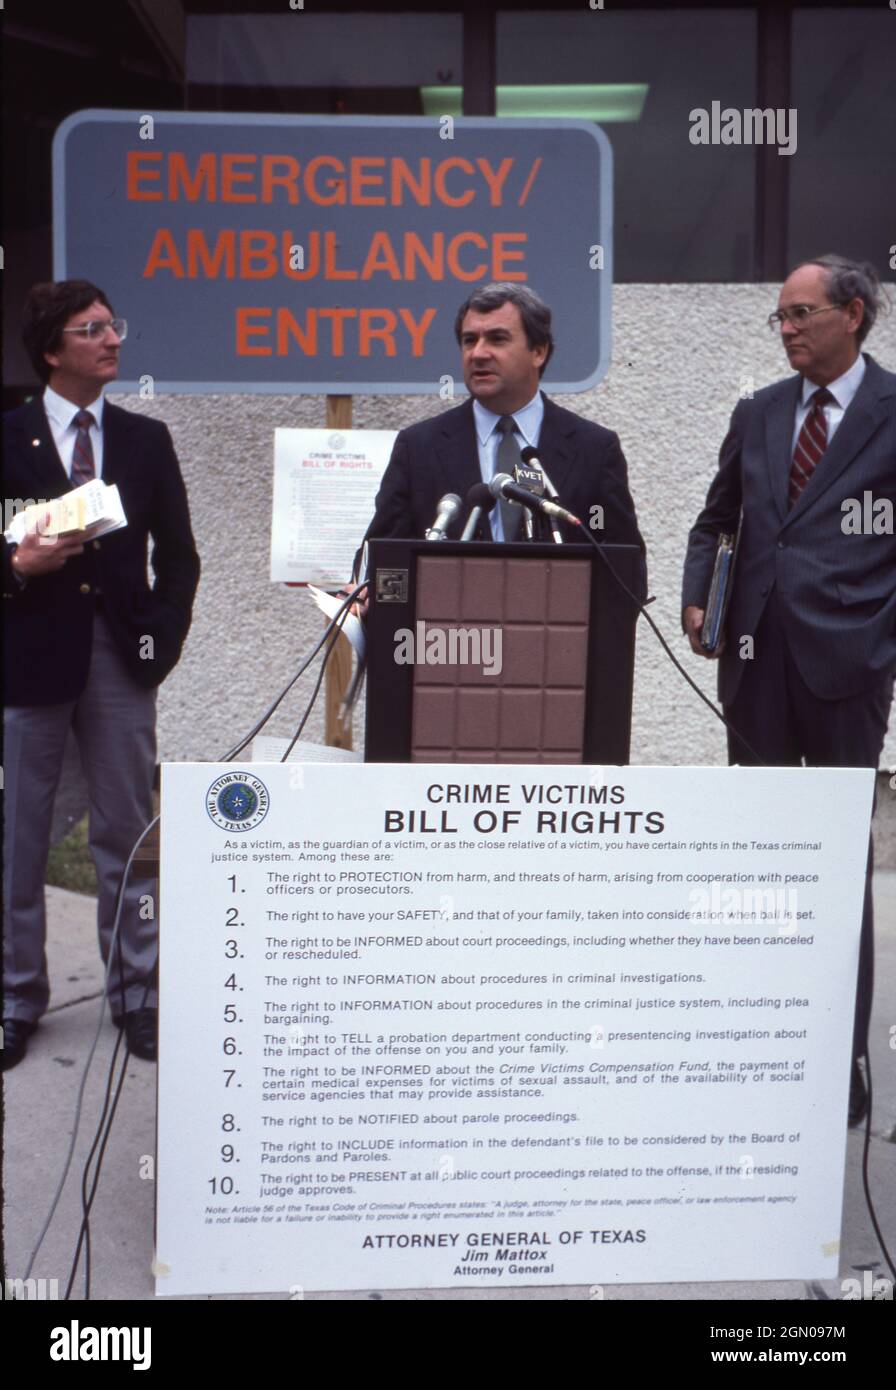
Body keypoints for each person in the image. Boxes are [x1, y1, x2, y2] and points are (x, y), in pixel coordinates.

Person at [681, 254, 895, 1126]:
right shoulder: (760, 412)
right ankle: (765, 1045)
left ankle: (841, 1062)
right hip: (755, 661)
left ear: (853, 314)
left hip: (848, 670)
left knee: (839, 866)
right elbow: (716, 517)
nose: (787, 329)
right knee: (762, 863)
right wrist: (702, 593)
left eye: (801, 313)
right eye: (779, 317)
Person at [2, 280, 201, 1068]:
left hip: (121, 660)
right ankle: (16, 997)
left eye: (113, 326)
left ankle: (138, 992)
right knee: (21, 837)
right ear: (54, 349)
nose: (114, 339)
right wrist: (19, 564)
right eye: (93, 330)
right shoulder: (8, 437)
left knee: (132, 833)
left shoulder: (147, 440)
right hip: (26, 663)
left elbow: (181, 557)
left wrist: (160, 643)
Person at [359, 281, 646, 595]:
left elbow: (624, 571)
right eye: (470, 341)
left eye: (497, 339)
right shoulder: (419, 447)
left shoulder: (593, 450)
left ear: (538, 351)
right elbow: (380, 558)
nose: (478, 354)